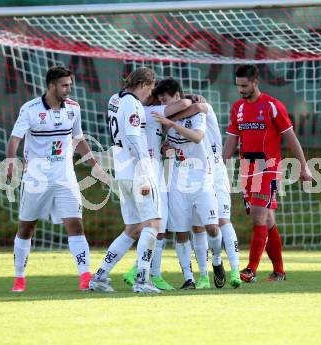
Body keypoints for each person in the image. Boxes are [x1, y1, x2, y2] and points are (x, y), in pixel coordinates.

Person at [6, 65, 108, 292]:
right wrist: (11, 162)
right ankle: (19, 278)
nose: (68, 89)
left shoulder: (73, 108)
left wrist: (95, 166)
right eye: (64, 85)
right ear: (51, 86)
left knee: (75, 224)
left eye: (70, 84)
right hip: (36, 177)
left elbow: (79, 140)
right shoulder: (30, 109)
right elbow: (15, 138)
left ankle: (85, 277)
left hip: (64, 175)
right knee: (26, 227)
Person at [222, 64, 312, 282]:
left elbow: (290, 138)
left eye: (244, 85)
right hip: (246, 167)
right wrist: (219, 165)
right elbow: (232, 139)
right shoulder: (238, 108)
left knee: (258, 215)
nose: (241, 90)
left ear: (255, 82)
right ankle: (279, 271)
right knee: (268, 219)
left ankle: (251, 269)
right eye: (238, 86)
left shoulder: (272, 106)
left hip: (269, 167)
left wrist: (303, 165)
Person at [89, 67, 162, 293]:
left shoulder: (115, 98)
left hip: (121, 169)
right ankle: (142, 280)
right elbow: (133, 136)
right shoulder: (133, 103)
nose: (149, 95)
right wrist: (145, 172)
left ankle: (99, 276)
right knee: (153, 224)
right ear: (142, 84)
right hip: (136, 169)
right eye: (149, 89)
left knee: (133, 228)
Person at [122, 89, 199, 291]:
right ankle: (145, 273)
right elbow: (188, 106)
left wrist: (165, 144)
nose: (164, 102)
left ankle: (145, 272)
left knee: (158, 227)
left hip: (155, 172)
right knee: (154, 226)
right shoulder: (152, 111)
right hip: (149, 172)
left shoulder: (148, 115)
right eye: (161, 97)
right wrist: (191, 99)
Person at [167, 89, 242, 289]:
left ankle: (231, 268)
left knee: (222, 220)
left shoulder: (204, 111)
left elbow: (200, 106)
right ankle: (203, 276)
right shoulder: (182, 126)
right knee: (198, 227)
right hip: (195, 173)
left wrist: (173, 115)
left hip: (216, 171)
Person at [152, 79, 222, 290]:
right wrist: (166, 146)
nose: (165, 105)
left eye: (167, 100)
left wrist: (172, 124)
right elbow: (167, 146)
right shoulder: (164, 121)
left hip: (202, 176)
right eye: (161, 101)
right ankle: (191, 278)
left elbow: (198, 137)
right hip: (178, 178)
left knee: (210, 227)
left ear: (178, 97)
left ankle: (217, 261)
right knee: (181, 232)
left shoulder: (195, 114)